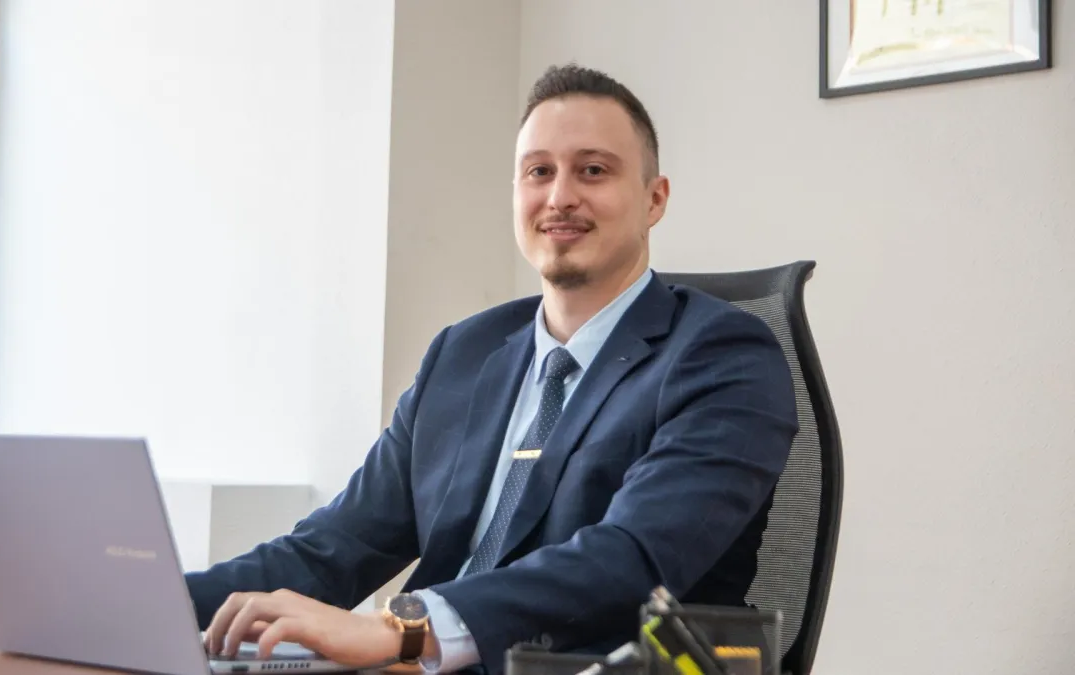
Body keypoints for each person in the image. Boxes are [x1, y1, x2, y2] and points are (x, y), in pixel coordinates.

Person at [187, 63, 798, 675]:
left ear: (654, 199)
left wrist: (401, 629)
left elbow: (629, 559)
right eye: (539, 172)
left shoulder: (723, 356)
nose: (559, 197)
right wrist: (155, 603)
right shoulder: (463, 353)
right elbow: (334, 549)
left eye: (593, 170)